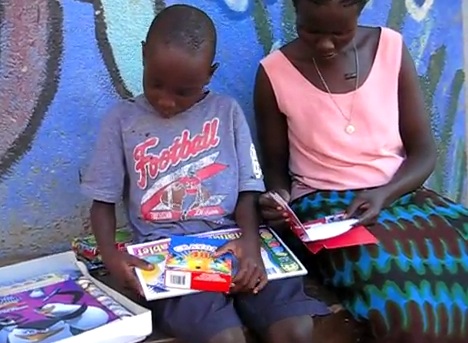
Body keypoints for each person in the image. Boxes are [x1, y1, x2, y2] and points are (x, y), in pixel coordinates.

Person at [81, 5, 329, 343]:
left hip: (234, 241)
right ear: (143, 55)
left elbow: (247, 190)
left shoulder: (226, 112)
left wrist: (251, 244)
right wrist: (111, 257)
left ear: (209, 74)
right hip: (166, 251)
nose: (166, 101)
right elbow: (102, 201)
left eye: (184, 91)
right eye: (156, 84)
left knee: (295, 328)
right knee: (224, 338)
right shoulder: (122, 121)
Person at [254, 0, 468, 342]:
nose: (325, 44)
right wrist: (277, 199)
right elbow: (275, 169)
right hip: (329, 212)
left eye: (340, 33)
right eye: (311, 31)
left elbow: (424, 152)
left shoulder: (390, 49)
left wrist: (384, 194)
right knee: (404, 303)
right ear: (295, 10)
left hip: (401, 195)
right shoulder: (274, 74)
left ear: (360, 11)